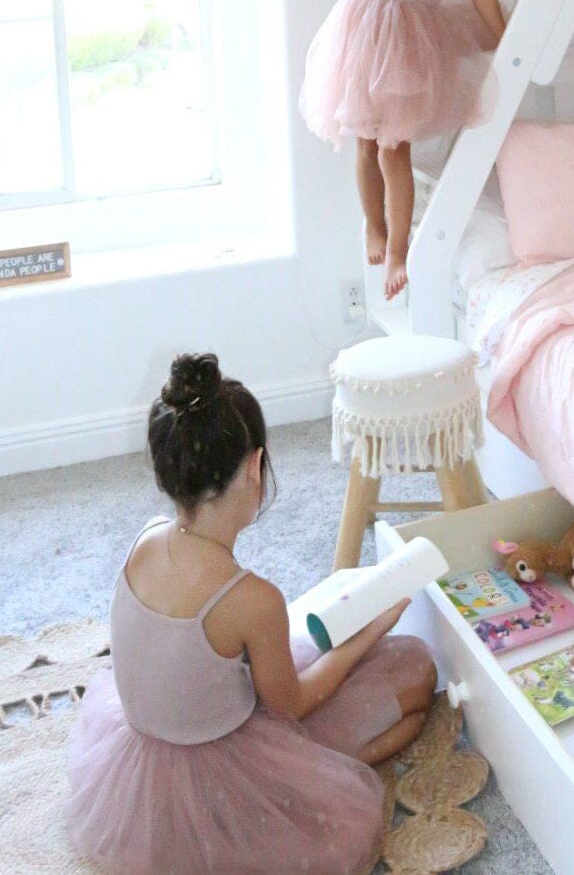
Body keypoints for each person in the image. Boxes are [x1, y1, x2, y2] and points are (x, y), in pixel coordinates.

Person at [66, 352, 437, 874]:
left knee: (316, 658)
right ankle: (291, 792)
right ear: (253, 467)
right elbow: (293, 705)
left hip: (141, 751)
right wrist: (371, 629)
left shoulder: (144, 541)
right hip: (227, 762)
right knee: (417, 676)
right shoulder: (250, 598)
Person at [297, 0, 506, 299]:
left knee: (395, 150)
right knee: (366, 145)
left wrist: (499, 32)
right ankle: (375, 225)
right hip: (366, 44)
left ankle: (397, 249)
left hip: (413, 50)